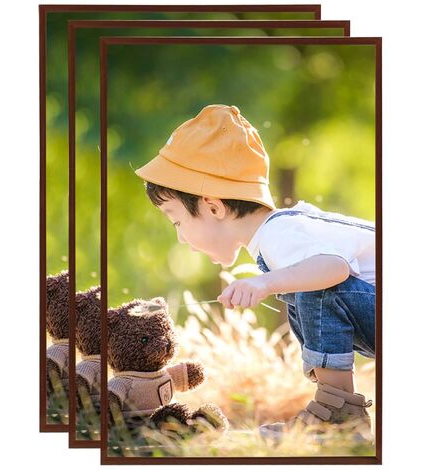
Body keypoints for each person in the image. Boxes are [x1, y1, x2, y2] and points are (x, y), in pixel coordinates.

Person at [133, 104, 376, 440]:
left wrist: (265, 283)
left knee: (313, 285)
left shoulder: (278, 235)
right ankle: (335, 411)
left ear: (213, 206)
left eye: (177, 221)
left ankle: (339, 417)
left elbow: (333, 269)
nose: (181, 237)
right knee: (301, 285)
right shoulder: (281, 233)